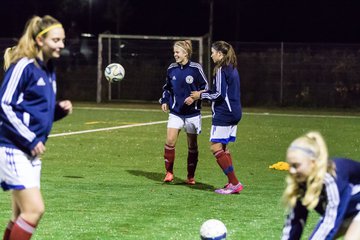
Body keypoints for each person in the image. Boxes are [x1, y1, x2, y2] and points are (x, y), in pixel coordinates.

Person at [0, 15, 72, 240]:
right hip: (13, 147)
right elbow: (4, 104)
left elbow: (34, 112)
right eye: (56, 40)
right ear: (40, 41)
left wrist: (57, 111)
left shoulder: (48, 70)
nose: (61, 45)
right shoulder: (24, 66)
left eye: (62, 40)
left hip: (28, 152)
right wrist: (30, 140)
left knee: (19, 214)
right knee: (34, 210)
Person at [281, 131, 360, 240]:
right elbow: (295, 222)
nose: (292, 171)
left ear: (313, 162)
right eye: (290, 165)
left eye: (296, 165)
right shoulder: (302, 184)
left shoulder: (333, 179)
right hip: (349, 213)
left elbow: (330, 223)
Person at [190, 41, 243, 194]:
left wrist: (200, 95)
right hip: (234, 111)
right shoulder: (232, 68)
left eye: (213, 52)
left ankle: (234, 183)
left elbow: (218, 94)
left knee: (215, 147)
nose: (211, 55)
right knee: (224, 147)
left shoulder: (221, 69)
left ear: (220, 54)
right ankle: (231, 182)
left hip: (224, 113)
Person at [159, 40, 208, 185]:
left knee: (192, 145)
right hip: (176, 112)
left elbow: (205, 88)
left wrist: (194, 97)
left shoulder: (195, 69)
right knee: (169, 141)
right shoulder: (171, 69)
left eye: (177, 52)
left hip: (192, 114)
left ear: (185, 53)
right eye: (174, 52)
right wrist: (165, 100)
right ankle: (169, 173)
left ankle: (190, 176)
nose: (175, 55)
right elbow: (167, 88)